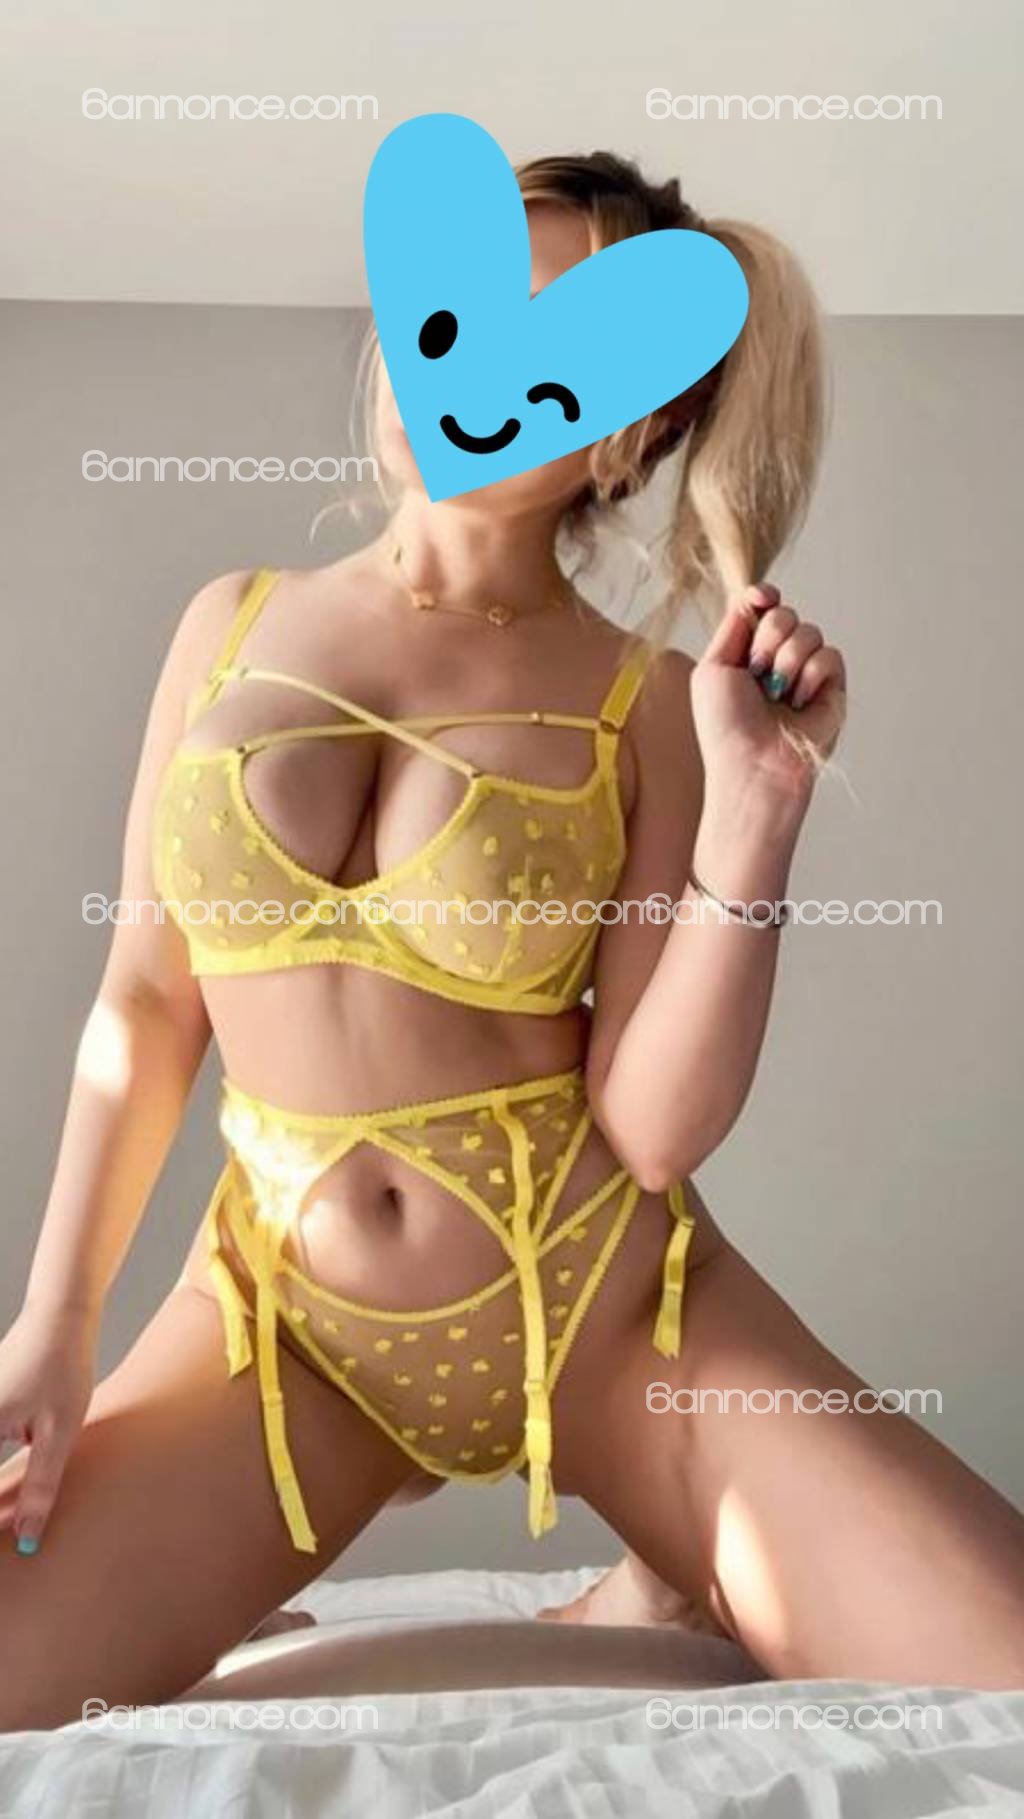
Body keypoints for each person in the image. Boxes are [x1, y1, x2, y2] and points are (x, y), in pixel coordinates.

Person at [2, 151, 1023, 1732]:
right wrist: (54, 1330)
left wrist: (757, 818)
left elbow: (651, 1128)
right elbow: (143, 1006)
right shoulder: (229, 623)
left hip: (609, 1312)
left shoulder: (649, 704)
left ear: (632, 430)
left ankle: (670, 1559)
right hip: (280, 1339)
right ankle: (654, 1569)